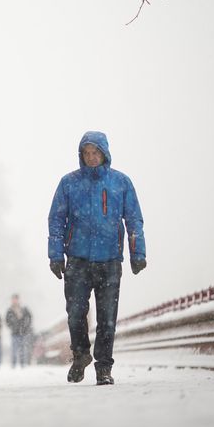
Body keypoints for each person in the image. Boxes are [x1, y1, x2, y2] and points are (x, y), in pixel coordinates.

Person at [48, 131, 146, 385]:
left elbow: (133, 219)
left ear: (105, 154)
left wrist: (138, 252)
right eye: (86, 153)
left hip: (110, 260)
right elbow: (57, 220)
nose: (91, 157)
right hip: (78, 259)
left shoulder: (120, 183)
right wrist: (56, 255)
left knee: (107, 317)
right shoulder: (68, 183)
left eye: (95, 152)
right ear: (81, 155)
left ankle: (104, 367)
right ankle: (81, 355)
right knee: (75, 312)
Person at [5, 294, 33, 368]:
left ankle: (22, 364)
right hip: (14, 333)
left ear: (18, 300)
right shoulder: (10, 310)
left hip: (23, 333)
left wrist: (25, 327)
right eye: (13, 299)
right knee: (14, 350)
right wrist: (12, 326)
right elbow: (7, 320)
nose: (15, 301)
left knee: (22, 350)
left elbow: (29, 318)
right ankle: (13, 365)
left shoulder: (24, 309)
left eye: (16, 299)